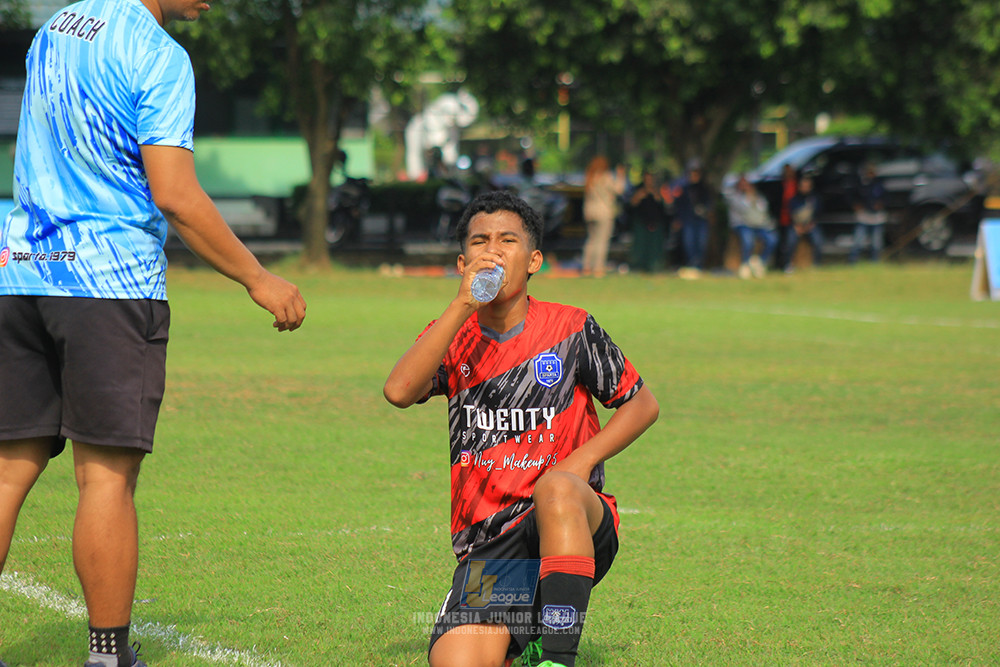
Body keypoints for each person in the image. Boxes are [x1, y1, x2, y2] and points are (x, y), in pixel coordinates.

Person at [0, 1, 307, 666]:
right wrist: (259, 278)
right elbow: (175, 194)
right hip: (106, 287)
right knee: (105, 479)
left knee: (5, 474)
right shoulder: (158, 55)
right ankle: (108, 656)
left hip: (22, 270)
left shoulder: (57, 24)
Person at [383, 190, 659, 667]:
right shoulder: (452, 335)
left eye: (507, 240)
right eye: (480, 241)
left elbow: (642, 405)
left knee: (555, 488)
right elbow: (399, 390)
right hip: (492, 550)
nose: (493, 251)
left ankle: (556, 658)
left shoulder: (571, 327)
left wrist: (581, 462)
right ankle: (523, 637)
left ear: (533, 260)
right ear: (462, 260)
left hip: (571, 517)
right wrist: (460, 305)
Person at [724, 175, 777, 279]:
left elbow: (763, 211)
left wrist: (754, 199)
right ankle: (745, 264)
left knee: (772, 239)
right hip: (742, 225)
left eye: (746, 184)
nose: (745, 186)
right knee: (748, 239)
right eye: (742, 184)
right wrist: (747, 198)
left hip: (759, 226)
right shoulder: (735, 196)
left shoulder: (758, 197)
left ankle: (759, 262)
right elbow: (741, 209)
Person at [581, 155, 626, 278]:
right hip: (604, 213)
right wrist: (621, 176)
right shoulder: (606, 177)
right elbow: (619, 190)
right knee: (602, 241)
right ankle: (598, 268)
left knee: (591, 240)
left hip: (590, 212)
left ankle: (586, 266)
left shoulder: (590, 177)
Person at [673, 159, 713, 279]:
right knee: (688, 243)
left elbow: (709, 204)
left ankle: (698, 266)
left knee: (701, 243)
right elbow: (678, 205)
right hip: (688, 220)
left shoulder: (704, 188)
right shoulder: (683, 188)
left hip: (701, 220)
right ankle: (691, 265)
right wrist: (678, 219)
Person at [628, 170, 670, 273]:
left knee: (655, 247)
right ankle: (639, 266)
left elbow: (666, 207)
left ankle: (655, 266)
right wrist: (638, 197)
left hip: (656, 222)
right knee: (640, 247)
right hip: (641, 222)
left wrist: (657, 197)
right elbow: (631, 205)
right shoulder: (638, 190)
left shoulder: (659, 190)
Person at [849, 163, 888, 263]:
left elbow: (886, 198)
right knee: (858, 242)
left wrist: (881, 204)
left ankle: (875, 263)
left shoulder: (880, 184)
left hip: (877, 217)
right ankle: (853, 262)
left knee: (876, 244)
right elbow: (853, 197)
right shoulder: (861, 184)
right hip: (864, 216)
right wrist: (857, 205)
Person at [785, 174, 823, 268]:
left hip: (811, 225)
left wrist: (810, 225)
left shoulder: (815, 199)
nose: (805, 188)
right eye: (803, 186)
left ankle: (816, 264)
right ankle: (788, 264)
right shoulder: (794, 200)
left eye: (807, 186)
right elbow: (791, 215)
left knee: (818, 241)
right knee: (790, 241)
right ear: (799, 187)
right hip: (796, 226)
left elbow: (818, 214)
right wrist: (797, 226)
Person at [774, 163, 798, 271]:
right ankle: (779, 264)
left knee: (790, 242)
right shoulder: (778, 186)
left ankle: (788, 264)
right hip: (782, 219)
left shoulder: (797, 185)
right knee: (780, 242)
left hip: (793, 220)